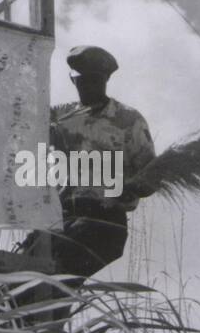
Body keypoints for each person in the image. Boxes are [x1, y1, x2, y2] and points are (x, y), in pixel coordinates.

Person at [43, 45, 155, 278]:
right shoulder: (59, 118)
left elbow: (150, 175)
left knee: (54, 278)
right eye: (82, 81)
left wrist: (130, 188)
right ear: (73, 80)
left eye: (95, 80)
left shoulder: (128, 120)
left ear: (105, 80)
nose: (88, 86)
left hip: (103, 221)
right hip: (62, 217)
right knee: (22, 278)